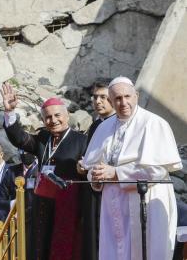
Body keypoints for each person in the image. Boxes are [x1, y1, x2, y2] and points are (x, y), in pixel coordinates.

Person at [83, 76, 183, 260]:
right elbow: (91, 167)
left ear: (136, 95)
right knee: (115, 252)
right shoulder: (103, 128)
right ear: (111, 101)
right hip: (113, 205)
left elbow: (158, 171)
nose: (123, 102)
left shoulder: (154, 123)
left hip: (146, 201)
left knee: (148, 252)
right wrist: (95, 178)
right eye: (117, 99)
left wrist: (116, 173)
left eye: (127, 96)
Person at [0, 82, 87, 260]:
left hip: (68, 207)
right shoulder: (43, 137)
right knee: (40, 248)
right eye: (48, 117)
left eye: (57, 115)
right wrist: (9, 112)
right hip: (42, 205)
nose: (53, 120)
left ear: (67, 115)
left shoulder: (82, 141)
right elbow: (20, 139)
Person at [77, 79, 115, 260]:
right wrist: (82, 164)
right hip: (92, 189)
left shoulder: (118, 124)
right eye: (95, 97)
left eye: (103, 97)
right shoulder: (95, 125)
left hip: (112, 190)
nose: (98, 101)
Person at [0, 149, 38, 260]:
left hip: (37, 225)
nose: (25, 154)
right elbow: (0, 201)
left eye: (27, 150)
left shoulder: (42, 171)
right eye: (22, 151)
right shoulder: (11, 171)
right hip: (15, 226)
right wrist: (13, 206)